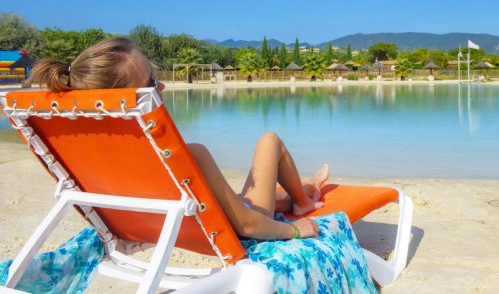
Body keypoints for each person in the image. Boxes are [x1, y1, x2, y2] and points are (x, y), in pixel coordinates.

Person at [29, 37, 328, 241]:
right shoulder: (186, 156)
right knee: (269, 141)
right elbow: (248, 225)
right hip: (241, 225)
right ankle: (302, 203)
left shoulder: (94, 159)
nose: (162, 86)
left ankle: (300, 192)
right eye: (151, 82)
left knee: (258, 197)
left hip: (170, 227)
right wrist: (295, 231)